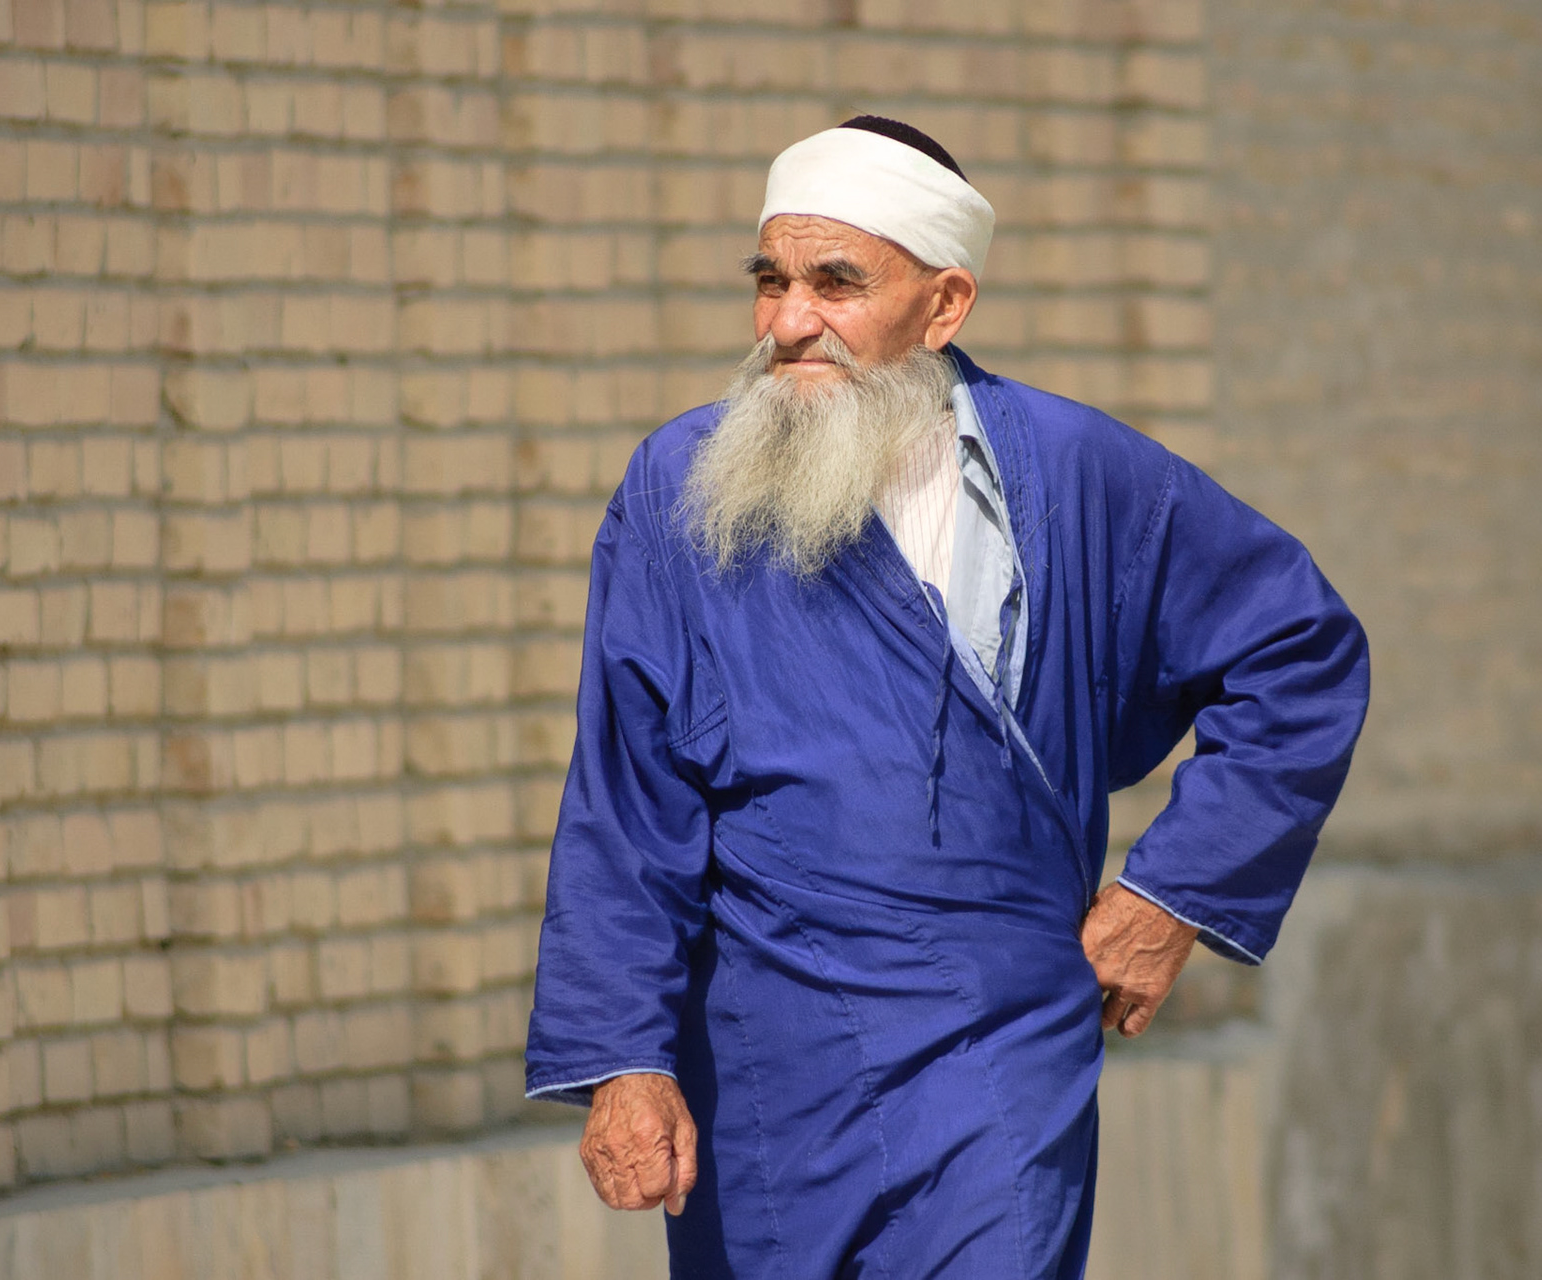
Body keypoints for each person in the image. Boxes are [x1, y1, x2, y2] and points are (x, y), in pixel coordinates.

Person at [524, 116, 1370, 1278]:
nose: (786, 321)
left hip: (1002, 1050)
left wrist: (1172, 892)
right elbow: (625, 801)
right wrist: (627, 1058)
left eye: (835, 282)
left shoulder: (1079, 474)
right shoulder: (680, 484)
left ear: (946, 303)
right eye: (769, 281)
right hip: (766, 1069)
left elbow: (1300, 646)